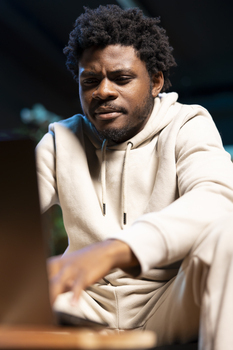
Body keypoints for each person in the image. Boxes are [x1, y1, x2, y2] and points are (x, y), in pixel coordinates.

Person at [36, 5, 233, 350]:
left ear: (155, 81)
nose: (104, 92)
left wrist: (117, 250)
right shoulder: (59, 139)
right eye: (90, 81)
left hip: (167, 303)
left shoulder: (187, 124)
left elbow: (217, 198)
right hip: (83, 304)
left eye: (122, 78)